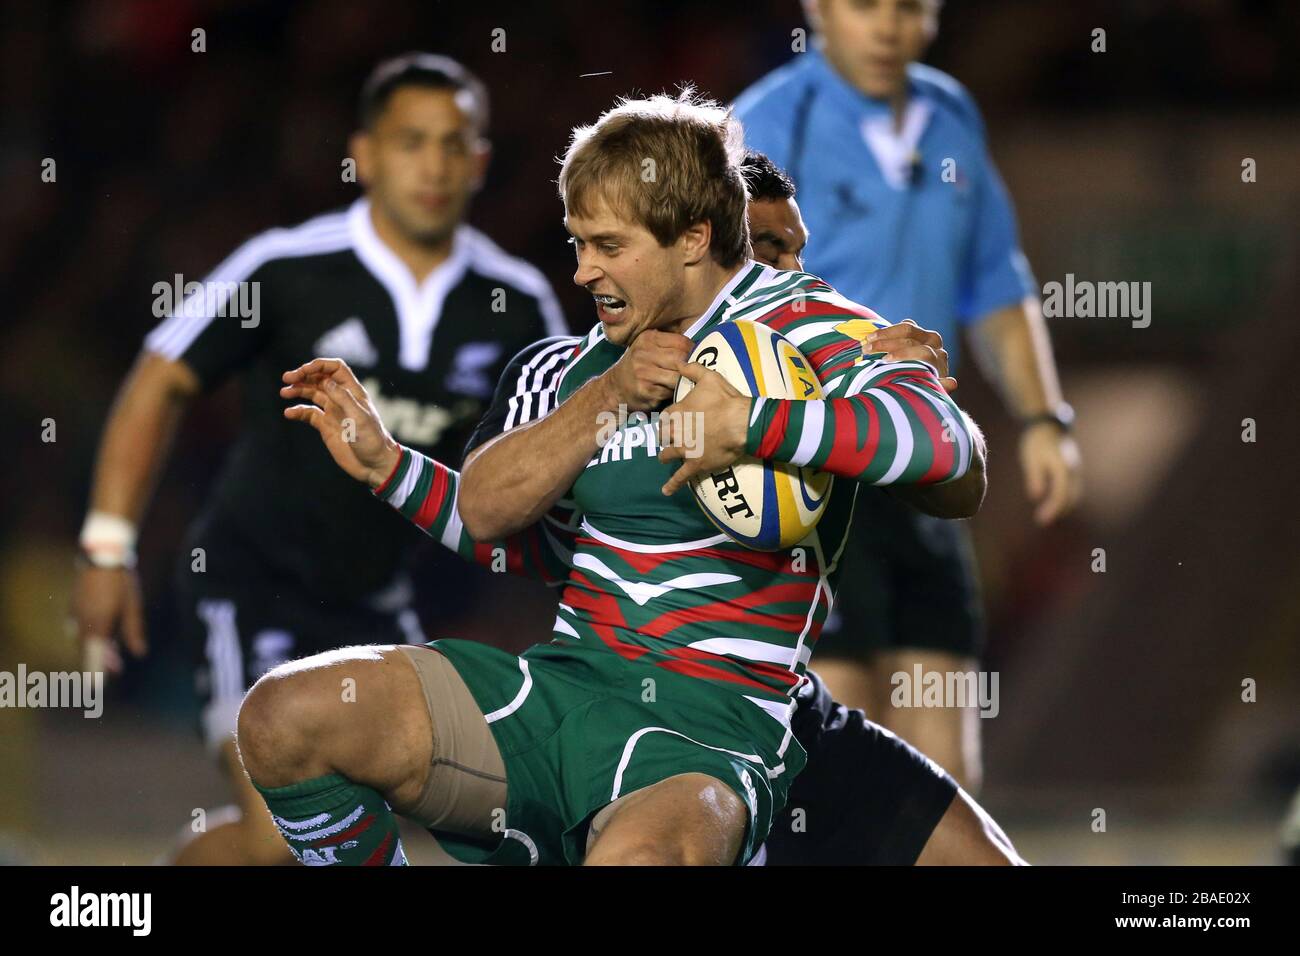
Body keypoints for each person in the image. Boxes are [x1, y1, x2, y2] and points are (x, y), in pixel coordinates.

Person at [236, 90, 986, 866]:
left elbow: (951, 452)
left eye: (607, 245)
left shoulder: (810, 328)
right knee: (283, 717)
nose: (584, 269)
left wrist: (755, 424)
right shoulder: (572, 364)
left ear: (693, 238)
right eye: (577, 243)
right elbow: (490, 517)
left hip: (711, 733)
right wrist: (402, 465)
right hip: (561, 692)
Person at [71, 52, 564, 865]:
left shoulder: (516, 305)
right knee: (287, 838)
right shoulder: (287, 267)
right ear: (364, 154)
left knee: (397, 829)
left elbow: (539, 474)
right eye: (411, 141)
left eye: (453, 144)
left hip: (378, 606)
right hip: (249, 584)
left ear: (480, 161)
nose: (434, 166)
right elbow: (159, 379)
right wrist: (105, 547)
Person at [735, 0, 1083, 790]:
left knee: (947, 783)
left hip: (923, 473)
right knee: (839, 774)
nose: (889, 27)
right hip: (817, 481)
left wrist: (1041, 419)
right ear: (817, 8)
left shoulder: (950, 112)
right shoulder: (763, 126)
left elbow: (995, 277)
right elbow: (718, 301)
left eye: (910, 7)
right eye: (865, 6)